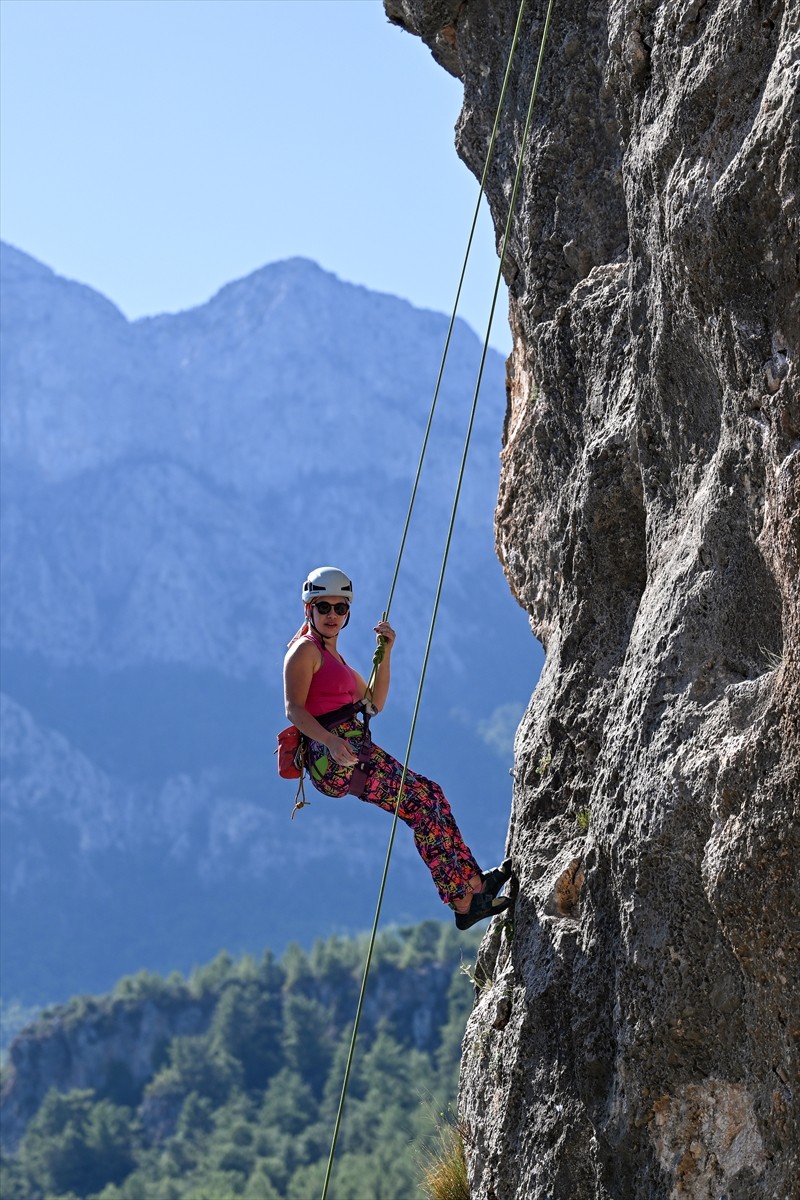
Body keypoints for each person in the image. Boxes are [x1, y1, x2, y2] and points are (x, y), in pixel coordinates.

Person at [283, 565, 512, 930]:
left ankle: (474, 884)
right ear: (308, 609)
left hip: (349, 753)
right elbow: (293, 708)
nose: (331, 615)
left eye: (339, 608)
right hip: (333, 756)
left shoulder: (337, 662)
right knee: (420, 806)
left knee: (430, 795)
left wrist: (385, 651)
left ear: (347, 612)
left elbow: (373, 702)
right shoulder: (304, 652)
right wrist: (328, 741)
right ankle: (464, 900)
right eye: (322, 607)